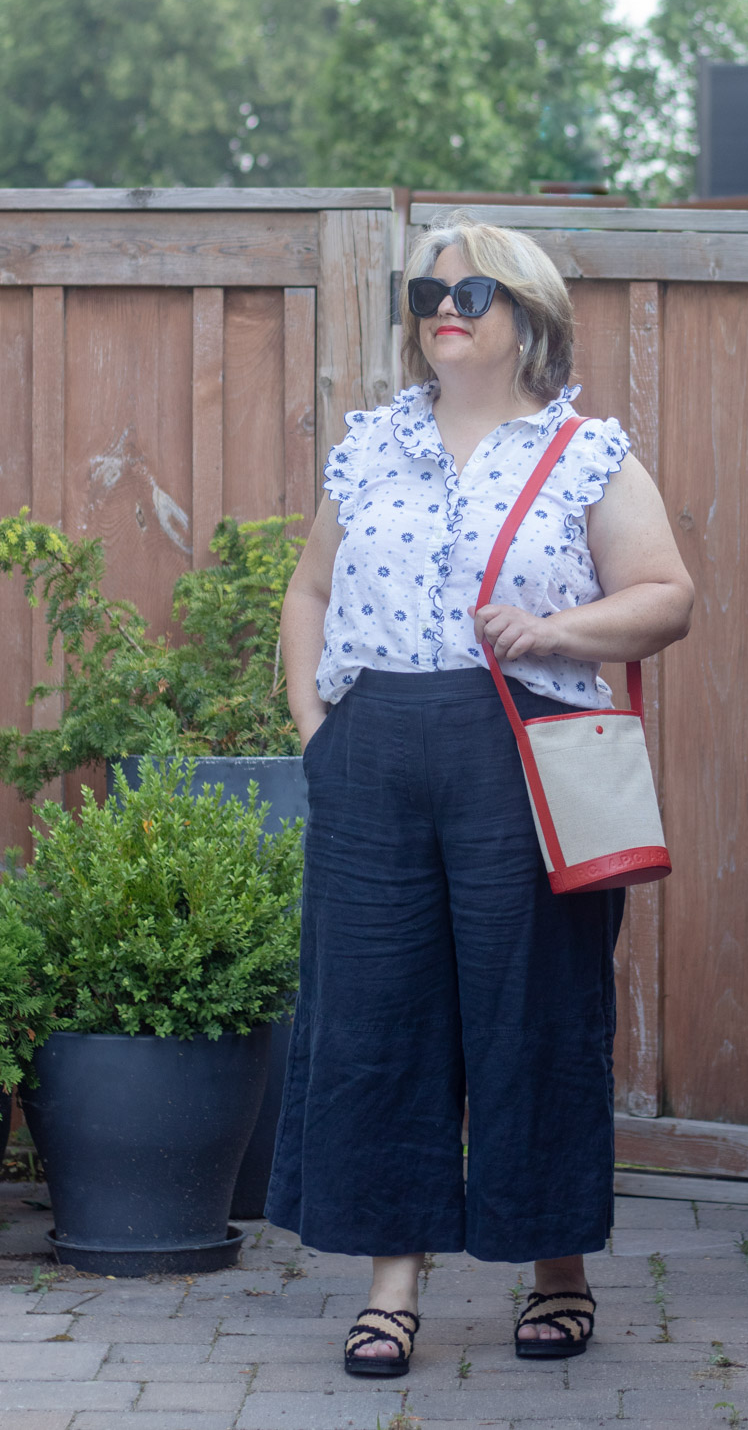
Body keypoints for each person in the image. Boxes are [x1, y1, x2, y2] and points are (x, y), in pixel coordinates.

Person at [265, 212, 693, 1374]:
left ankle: (554, 1267)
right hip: (375, 754)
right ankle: (391, 1284)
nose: (444, 314)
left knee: (533, 1012)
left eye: (470, 296)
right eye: (426, 298)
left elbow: (664, 594)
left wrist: (551, 628)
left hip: (526, 753)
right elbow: (307, 592)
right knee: (374, 1016)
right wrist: (315, 727)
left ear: (526, 319)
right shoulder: (369, 449)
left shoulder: (583, 451)